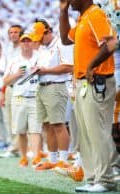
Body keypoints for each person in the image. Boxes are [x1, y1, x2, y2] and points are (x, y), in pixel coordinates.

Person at [59, 0, 120, 192]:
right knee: (86, 135)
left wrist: (91, 65)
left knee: (98, 133)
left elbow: (111, 42)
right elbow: (65, 39)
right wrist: (63, 11)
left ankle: (106, 180)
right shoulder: (82, 17)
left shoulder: (95, 14)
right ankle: (93, 178)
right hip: (84, 83)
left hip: (97, 81)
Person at [32, 19, 73, 170]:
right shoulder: (43, 48)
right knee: (47, 125)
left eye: (40, 37)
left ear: (48, 31)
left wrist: (46, 71)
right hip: (42, 86)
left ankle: (64, 160)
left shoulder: (61, 43)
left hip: (55, 87)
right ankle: (53, 159)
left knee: (58, 124)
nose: (39, 41)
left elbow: (69, 67)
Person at [3, 33, 42, 167]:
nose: (26, 43)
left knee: (35, 129)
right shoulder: (14, 60)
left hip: (35, 97)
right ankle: (24, 156)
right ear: (20, 44)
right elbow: (5, 81)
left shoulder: (40, 57)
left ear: (32, 43)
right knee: (21, 130)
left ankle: (36, 157)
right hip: (19, 98)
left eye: (28, 41)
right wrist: (16, 74)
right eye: (23, 41)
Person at [0, 24, 23, 158]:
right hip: (9, 87)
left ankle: (17, 147)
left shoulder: (23, 48)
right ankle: (14, 146)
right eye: (10, 32)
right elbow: (7, 72)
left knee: (20, 118)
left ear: (21, 34)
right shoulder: (8, 50)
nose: (13, 34)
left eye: (15, 32)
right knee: (10, 119)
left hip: (20, 87)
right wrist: (3, 91)